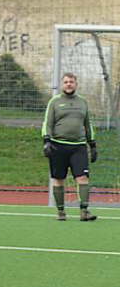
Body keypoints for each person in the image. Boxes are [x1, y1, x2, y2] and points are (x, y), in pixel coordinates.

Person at [42, 72, 97, 221]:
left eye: (71, 82)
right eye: (66, 82)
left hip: (78, 146)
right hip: (58, 146)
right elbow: (47, 123)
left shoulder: (83, 102)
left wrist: (92, 144)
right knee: (58, 179)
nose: (69, 84)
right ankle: (61, 212)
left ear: (76, 84)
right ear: (62, 84)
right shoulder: (54, 102)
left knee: (83, 178)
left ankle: (84, 211)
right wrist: (46, 141)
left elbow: (87, 124)